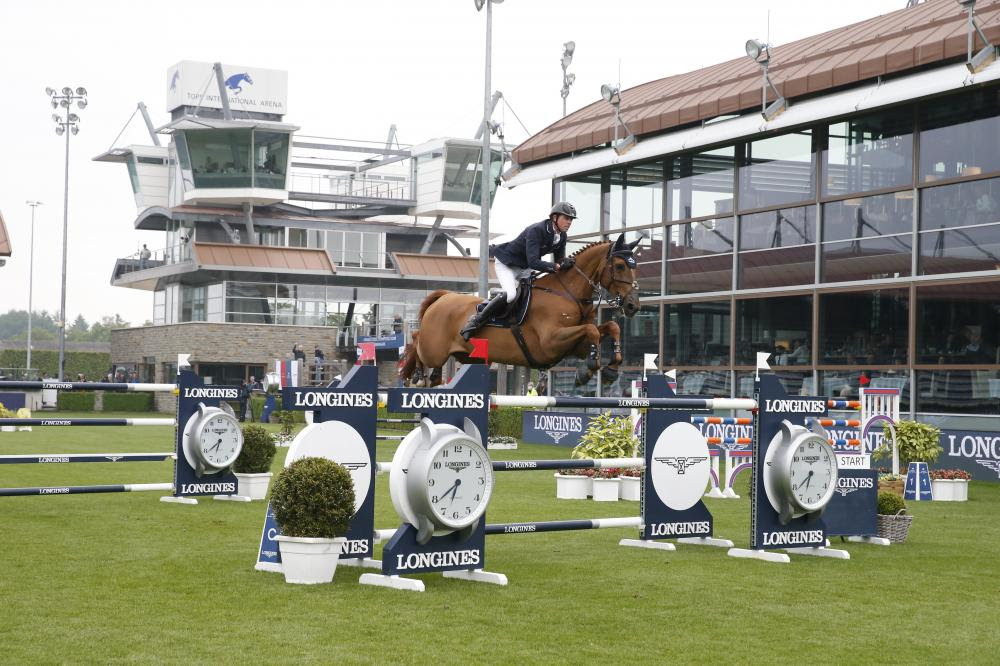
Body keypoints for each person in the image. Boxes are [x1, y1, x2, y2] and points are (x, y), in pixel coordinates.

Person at [460, 201, 578, 341]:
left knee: (535, 295)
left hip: (525, 268)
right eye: (566, 218)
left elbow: (559, 260)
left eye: (571, 219)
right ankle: (475, 321)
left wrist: (565, 262)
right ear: (554, 217)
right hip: (508, 265)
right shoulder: (537, 230)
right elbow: (533, 261)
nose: (569, 222)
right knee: (510, 295)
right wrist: (555, 267)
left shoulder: (562, 236)